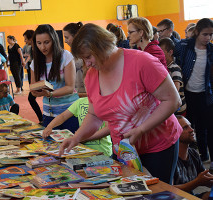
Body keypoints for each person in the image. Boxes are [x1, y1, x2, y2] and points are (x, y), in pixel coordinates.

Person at [59, 23, 182, 184]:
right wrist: (76, 137)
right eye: (83, 59)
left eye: (88, 57)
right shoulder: (92, 76)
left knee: (158, 192)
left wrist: (142, 129)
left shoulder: (142, 62)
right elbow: (94, 115)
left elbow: (173, 100)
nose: (87, 64)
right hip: (125, 149)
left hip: (158, 145)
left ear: (102, 47)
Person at [174, 18, 213, 162]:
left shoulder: (211, 50)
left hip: (205, 95)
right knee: (189, 127)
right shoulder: (184, 46)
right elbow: (171, 55)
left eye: (211, 34)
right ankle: (190, 158)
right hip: (188, 93)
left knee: (207, 127)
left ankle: (205, 157)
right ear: (196, 32)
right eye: (205, 34)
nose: (208, 38)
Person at [30, 24, 79, 132]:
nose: (43, 47)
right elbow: (33, 88)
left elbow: (70, 87)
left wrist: (50, 94)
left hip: (70, 112)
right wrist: (36, 91)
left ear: (54, 40)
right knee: (50, 146)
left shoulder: (65, 56)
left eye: (46, 42)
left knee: (73, 146)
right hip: (49, 113)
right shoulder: (35, 62)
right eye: (39, 43)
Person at [43, 97, 113, 156]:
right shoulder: (80, 102)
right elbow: (63, 116)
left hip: (102, 151)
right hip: (83, 150)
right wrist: (50, 126)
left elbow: (108, 129)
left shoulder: (106, 103)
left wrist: (83, 137)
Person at [173, 116, 213, 199]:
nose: (192, 130)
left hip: (190, 196)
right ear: (174, 132)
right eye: (185, 128)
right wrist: (197, 182)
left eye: (190, 126)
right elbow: (168, 190)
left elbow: (206, 177)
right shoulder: (169, 158)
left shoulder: (193, 153)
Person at [159, 38, 186, 115]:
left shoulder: (175, 69)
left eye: (161, 52)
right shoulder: (165, 66)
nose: (159, 55)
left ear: (170, 52)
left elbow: (175, 91)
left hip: (178, 109)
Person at [23, 30, 43, 124]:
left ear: (31, 38)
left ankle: (42, 119)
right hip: (36, 76)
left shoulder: (37, 48)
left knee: (32, 98)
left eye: (26, 39)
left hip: (41, 77)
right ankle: (41, 119)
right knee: (32, 98)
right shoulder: (32, 48)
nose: (25, 41)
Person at [63, 22, 87, 97]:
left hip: (85, 96)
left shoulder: (86, 54)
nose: (65, 41)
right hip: (78, 95)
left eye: (67, 37)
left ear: (75, 36)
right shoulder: (72, 54)